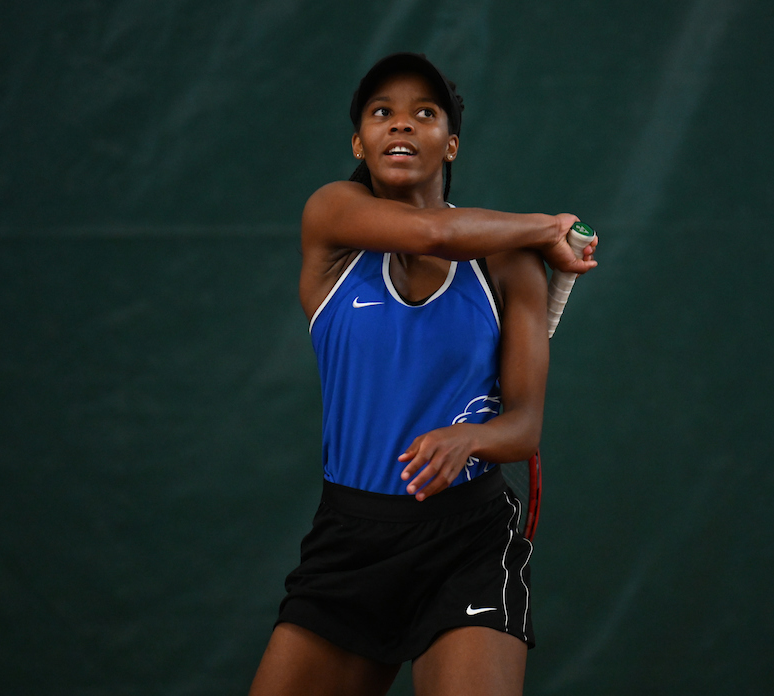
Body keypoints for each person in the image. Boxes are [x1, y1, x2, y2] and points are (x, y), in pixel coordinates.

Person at [248, 53, 596, 696]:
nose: (401, 124)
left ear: (451, 144)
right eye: (382, 112)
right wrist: (550, 227)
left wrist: (471, 438)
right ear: (359, 142)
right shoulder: (331, 217)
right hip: (350, 542)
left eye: (425, 114)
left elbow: (524, 426)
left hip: (468, 543)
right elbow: (431, 233)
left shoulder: (512, 265)